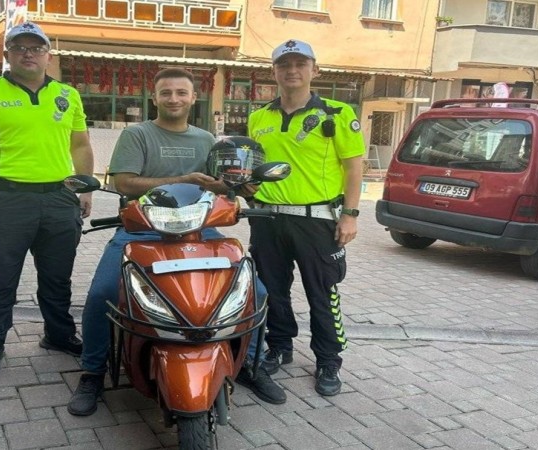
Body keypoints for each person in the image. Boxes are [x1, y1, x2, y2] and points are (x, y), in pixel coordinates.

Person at [67, 68, 286, 417]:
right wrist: (183, 178)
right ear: (154, 97)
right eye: (166, 92)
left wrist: (239, 186)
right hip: (143, 229)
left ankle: (250, 362)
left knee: (254, 292)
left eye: (181, 92)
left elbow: (218, 185)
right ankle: (92, 372)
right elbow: (124, 183)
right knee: (103, 293)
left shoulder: (207, 139)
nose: (174, 99)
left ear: (193, 98)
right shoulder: (137, 134)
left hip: (200, 230)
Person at [0, 21, 95, 378]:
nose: (29, 54)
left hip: (60, 199)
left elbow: (80, 145)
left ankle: (58, 336)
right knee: (1, 278)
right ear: (7, 54)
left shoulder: (68, 95)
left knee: (58, 278)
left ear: (48, 55)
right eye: (20, 47)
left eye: (36, 47)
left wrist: (85, 188)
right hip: (5, 200)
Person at [247, 39, 365, 396]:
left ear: (315, 69)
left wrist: (350, 215)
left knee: (322, 292)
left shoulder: (337, 113)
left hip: (317, 221)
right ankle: (280, 346)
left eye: (300, 64)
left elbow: (354, 167)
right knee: (272, 290)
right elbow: (253, 167)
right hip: (267, 220)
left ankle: (328, 360)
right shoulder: (259, 117)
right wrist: (247, 188)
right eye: (284, 65)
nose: (292, 71)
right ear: (274, 72)